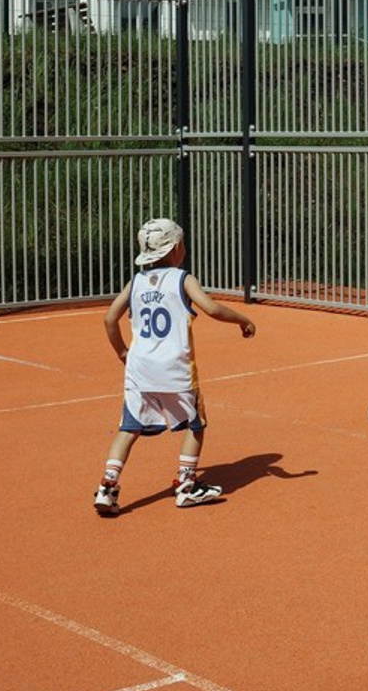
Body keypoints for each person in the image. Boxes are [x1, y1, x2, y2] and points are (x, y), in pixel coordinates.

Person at [93, 218, 255, 517]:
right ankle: (186, 486)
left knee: (128, 429)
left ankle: (107, 487)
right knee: (196, 424)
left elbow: (109, 319)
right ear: (176, 247)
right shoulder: (183, 279)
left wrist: (122, 352)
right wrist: (243, 319)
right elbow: (211, 308)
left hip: (139, 370)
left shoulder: (136, 282)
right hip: (175, 370)